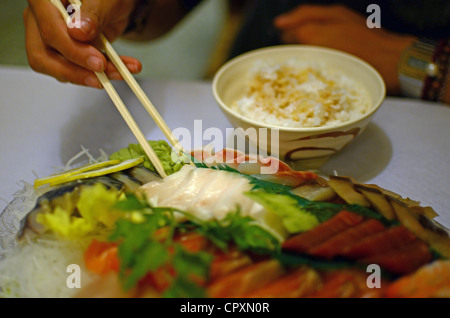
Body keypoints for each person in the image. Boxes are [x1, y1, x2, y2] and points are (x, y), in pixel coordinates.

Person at [23, 0, 449, 103]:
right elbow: (170, 9)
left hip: (420, 112)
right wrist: (129, 8)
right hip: (242, 89)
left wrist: (421, 62)